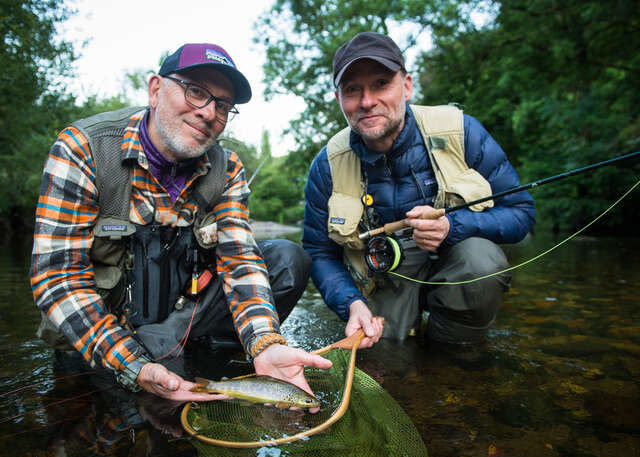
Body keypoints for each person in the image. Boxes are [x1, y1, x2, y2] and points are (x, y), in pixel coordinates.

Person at [30, 42, 331, 402]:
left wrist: (265, 342)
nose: (209, 113)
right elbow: (57, 278)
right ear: (155, 90)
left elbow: (239, 261)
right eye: (196, 92)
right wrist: (133, 364)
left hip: (177, 319)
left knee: (286, 258)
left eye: (222, 105)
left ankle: (220, 349)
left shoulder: (227, 168)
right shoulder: (84, 149)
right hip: (105, 329)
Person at [303, 32, 536, 345]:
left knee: (481, 261)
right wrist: (350, 303)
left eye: (381, 83)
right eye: (352, 89)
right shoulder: (327, 164)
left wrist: (453, 226)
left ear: (407, 86)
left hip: (456, 265)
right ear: (339, 100)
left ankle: (455, 353)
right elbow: (319, 252)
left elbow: (521, 215)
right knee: (386, 353)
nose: (367, 101)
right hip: (382, 279)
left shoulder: (461, 131)